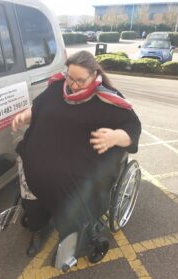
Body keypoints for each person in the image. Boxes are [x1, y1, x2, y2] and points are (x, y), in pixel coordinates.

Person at [12, 50, 141, 259]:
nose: (73, 84)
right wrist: (25, 116)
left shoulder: (107, 98)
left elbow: (132, 127)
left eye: (80, 80)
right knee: (28, 164)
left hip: (81, 164)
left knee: (71, 185)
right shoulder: (57, 87)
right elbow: (39, 107)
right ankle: (38, 224)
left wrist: (115, 137)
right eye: (70, 77)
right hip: (43, 156)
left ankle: (73, 233)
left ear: (93, 75)